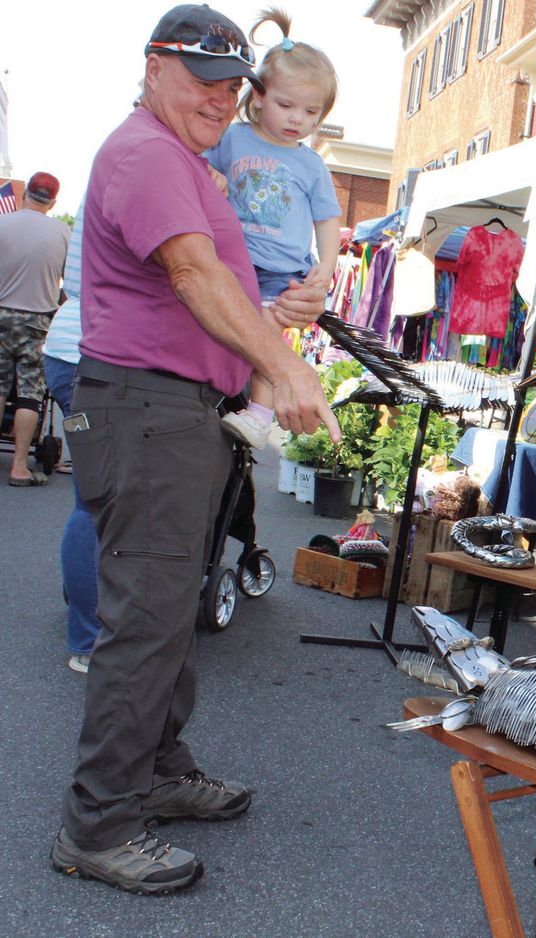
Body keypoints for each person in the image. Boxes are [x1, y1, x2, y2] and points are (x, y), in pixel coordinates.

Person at [51, 4, 339, 895]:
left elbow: (222, 273)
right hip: (148, 410)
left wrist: (273, 313)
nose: (223, 99)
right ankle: (97, 826)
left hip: (179, 410)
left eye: (232, 86)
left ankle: (161, 772)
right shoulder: (145, 153)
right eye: (205, 80)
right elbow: (192, 271)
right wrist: (282, 364)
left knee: (170, 610)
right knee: (145, 623)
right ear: (154, 66)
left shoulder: (184, 156)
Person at [206, 7, 341, 450]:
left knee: (263, 332)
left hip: (282, 270)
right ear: (259, 96)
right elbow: (197, 168)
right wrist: (213, 176)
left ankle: (260, 414)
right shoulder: (232, 138)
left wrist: (327, 265)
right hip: (233, 259)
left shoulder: (310, 163)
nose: (297, 119)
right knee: (232, 326)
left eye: (310, 111)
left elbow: (327, 217)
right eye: (286, 105)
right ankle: (239, 401)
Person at [42, 198, 99, 674]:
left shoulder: (114, 166)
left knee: (91, 499)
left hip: (67, 350)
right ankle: (87, 639)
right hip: (94, 356)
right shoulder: (148, 167)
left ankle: (84, 599)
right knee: (96, 504)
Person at [0, 171, 70, 486]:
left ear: (26, 192)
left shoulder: (3, 223)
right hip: (38, 319)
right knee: (29, 393)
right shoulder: (62, 233)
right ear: (53, 201)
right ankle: (19, 467)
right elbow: (69, 285)